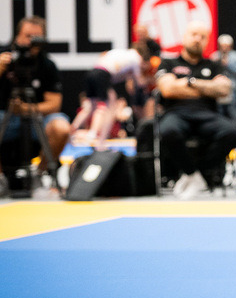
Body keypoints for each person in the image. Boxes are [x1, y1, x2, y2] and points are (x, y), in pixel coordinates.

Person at [156, 21, 236, 199]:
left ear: (207, 42)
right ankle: (194, 175)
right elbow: (168, 89)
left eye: (203, 37)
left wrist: (189, 82)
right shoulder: (168, 62)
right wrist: (207, 87)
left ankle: (195, 174)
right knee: (168, 131)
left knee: (233, 133)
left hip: (206, 115)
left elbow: (224, 89)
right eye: (194, 34)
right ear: (184, 37)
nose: (198, 39)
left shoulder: (214, 65)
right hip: (176, 113)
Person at [0, 17, 71, 197]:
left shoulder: (47, 65)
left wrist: (26, 109)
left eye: (36, 37)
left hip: (35, 119)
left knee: (61, 126)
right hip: (5, 118)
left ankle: (39, 174)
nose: (30, 41)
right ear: (16, 36)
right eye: (27, 36)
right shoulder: (4, 58)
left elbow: (54, 104)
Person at [71, 42, 157, 148]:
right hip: (102, 75)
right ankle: (100, 140)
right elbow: (140, 83)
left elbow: (115, 73)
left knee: (90, 107)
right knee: (109, 108)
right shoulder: (136, 59)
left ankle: (72, 130)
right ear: (144, 59)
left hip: (92, 72)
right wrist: (152, 79)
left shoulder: (122, 53)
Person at [212, 34, 236, 120]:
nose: (224, 48)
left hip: (232, 87)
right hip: (218, 87)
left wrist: (227, 63)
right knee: (219, 111)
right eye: (222, 46)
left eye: (226, 46)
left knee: (232, 110)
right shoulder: (215, 56)